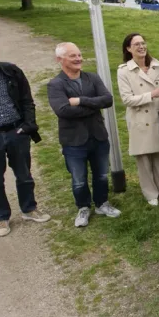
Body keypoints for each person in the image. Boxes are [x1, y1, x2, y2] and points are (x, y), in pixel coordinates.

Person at [0, 33, 49, 237]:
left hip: (16, 131)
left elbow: (27, 100)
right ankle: (2, 218)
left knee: (24, 175)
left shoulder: (9, 70)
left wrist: (28, 126)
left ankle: (29, 209)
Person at [47, 43, 121, 227]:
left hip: (98, 136)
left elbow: (108, 100)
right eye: (73, 56)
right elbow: (63, 110)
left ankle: (102, 203)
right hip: (73, 141)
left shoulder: (92, 78)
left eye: (79, 55)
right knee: (79, 179)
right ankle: (83, 207)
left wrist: (80, 101)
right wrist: (93, 107)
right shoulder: (55, 84)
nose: (79, 59)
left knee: (101, 175)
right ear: (60, 60)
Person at [117, 33, 159, 207]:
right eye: (136, 44)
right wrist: (150, 95)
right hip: (140, 119)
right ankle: (150, 193)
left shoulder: (156, 66)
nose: (141, 47)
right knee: (144, 160)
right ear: (129, 48)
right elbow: (127, 99)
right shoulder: (124, 71)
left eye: (143, 43)